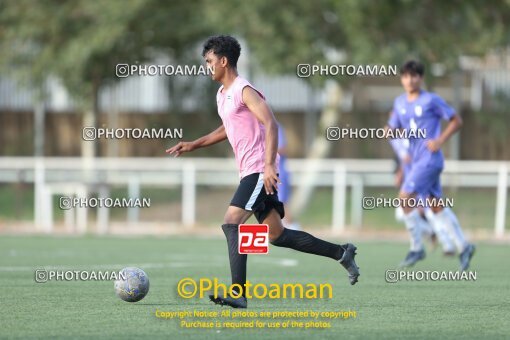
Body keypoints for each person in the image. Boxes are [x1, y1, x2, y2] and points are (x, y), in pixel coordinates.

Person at [166, 35, 359, 308]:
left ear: (223, 61)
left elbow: (271, 124)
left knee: (231, 220)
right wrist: (193, 144)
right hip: (250, 171)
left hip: (259, 169)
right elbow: (228, 128)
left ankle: (238, 293)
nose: (207, 66)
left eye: (209, 61)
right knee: (277, 235)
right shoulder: (223, 95)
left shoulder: (244, 89)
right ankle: (342, 253)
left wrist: (268, 166)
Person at [385, 60, 475, 270]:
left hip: (430, 159)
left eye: (414, 75)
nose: (410, 79)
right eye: (406, 76)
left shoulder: (431, 100)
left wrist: (440, 140)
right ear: (402, 79)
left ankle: (417, 248)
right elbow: (394, 128)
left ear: (421, 78)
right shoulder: (399, 103)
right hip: (416, 160)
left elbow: (456, 120)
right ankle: (464, 245)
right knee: (436, 206)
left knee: (405, 197)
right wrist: (390, 131)